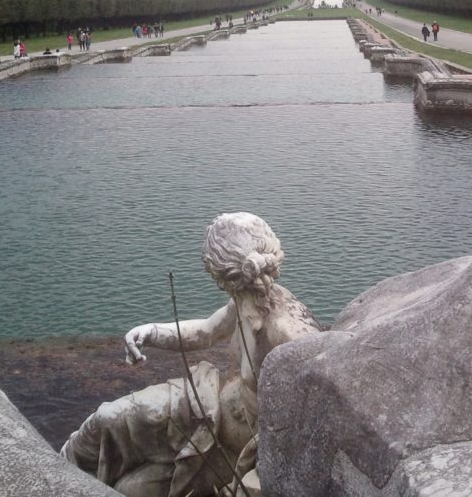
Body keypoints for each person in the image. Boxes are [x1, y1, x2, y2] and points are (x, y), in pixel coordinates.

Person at [61, 213, 320, 497]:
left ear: (225, 274)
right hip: (209, 403)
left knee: (131, 488)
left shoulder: (288, 333)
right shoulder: (246, 299)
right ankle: (54, 475)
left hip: (234, 449)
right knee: (108, 418)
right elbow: (206, 331)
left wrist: (262, 477)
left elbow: (313, 419)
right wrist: (151, 332)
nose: (214, 280)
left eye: (213, 273)